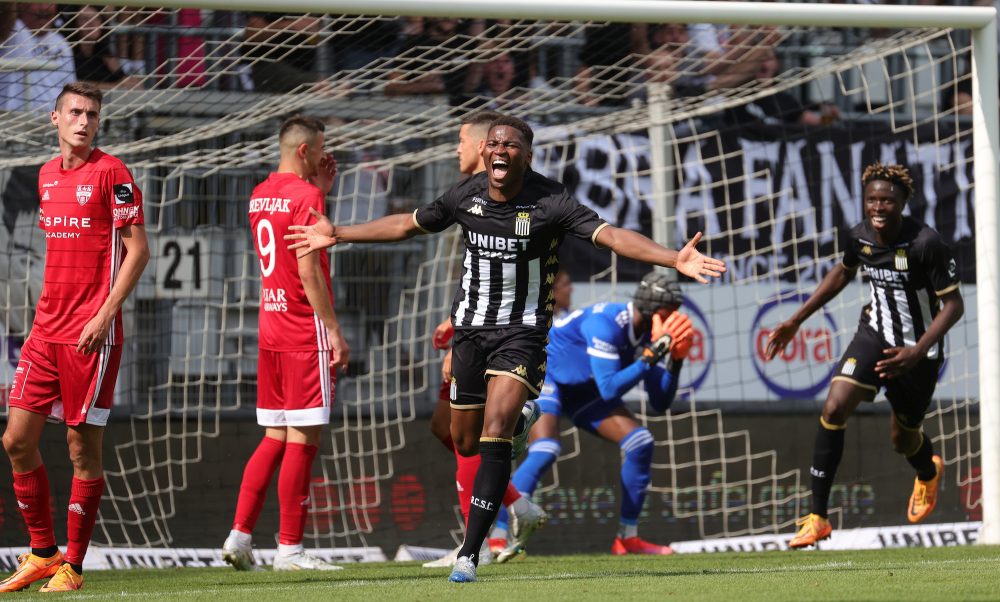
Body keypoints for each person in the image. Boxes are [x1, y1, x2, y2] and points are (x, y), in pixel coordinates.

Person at [286, 115, 726, 582]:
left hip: (523, 333)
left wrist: (672, 256)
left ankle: (471, 553)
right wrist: (338, 233)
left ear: (525, 156)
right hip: (471, 332)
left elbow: (613, 237)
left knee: (494, 435)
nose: (500, 150)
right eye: (494, 142)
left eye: (511, 145)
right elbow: (408, 225)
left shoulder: (551, 200)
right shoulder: (467, 195)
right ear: (487, 152)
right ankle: (520, 423)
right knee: (464, 439)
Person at [765, 162, 963, 548]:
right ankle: (817, 518)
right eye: (871, 199)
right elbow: (843, 271)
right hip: (873, 334)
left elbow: (953, 305)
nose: (877, 206)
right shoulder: (859, 236)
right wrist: (795, 320)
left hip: (918, 352)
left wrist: (917, 351)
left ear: (903, 202)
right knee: (834, 407)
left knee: (903, 440)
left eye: (886, 200)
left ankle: (927, 470)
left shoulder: (926, 244)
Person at [0, 81, 150, 592]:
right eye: (75, 113)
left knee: (81, 449)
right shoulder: (45, 175)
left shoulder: (114, 173)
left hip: (92, 335)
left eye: (92, 114)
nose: (84, 121)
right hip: (45, 330)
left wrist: (105, 313)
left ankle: (75, 567)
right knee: (17, 441)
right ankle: (43, 552)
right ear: (55, 118)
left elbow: (139, 251)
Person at [221, 115, 350, 571]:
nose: (323, 157)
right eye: (319, 149)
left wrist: (322, 192)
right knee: (303, 439)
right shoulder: (306, 194)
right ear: (304, 151)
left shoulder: (260, 193)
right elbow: (309, 269)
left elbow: (284, 233)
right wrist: (332, 328)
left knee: (275, 435)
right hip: (301, 326)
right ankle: (290, 550)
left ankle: (239, 535)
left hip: (270, 327)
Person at [491, 272, 691, 562]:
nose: (675, 317)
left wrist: (676, 361)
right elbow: (610, 388)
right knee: (546, 449)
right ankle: (498, 536)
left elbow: (660, 402)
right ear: (656, 309)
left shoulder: (652, 334)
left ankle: (627, 538)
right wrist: (652, 355)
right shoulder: (606, 322)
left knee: (641, 441)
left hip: (585, 389)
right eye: (670, 310)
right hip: (550, 374)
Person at [423, 110, 548, 569]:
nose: (457, 149)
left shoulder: (526, 196)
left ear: (480, 145)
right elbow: (481, 268)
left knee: (479, 435)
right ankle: (516, 505)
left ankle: (476, 545)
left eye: (460, 140)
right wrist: (455, 321)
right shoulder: (465, 196)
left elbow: (522, 264)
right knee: (454, 431)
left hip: (508, 332)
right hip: (470, 328)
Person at [0, 3, 75, 111]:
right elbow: (6, 13)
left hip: (53, 121)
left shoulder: (62, 44)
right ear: (21, 5)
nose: (44, 7)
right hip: (13, 119)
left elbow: (71, 89)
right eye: (37, 1)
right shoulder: (12, 32)